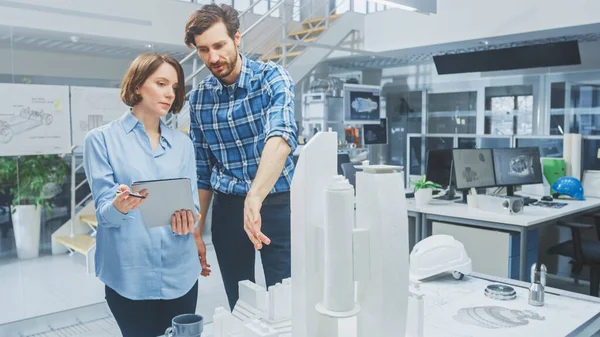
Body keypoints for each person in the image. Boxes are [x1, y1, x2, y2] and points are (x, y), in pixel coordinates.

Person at [83, 53, 211, 337]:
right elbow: (105, 214)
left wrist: (189, 220)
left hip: (180, 274)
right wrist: (120, 205)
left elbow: (191, 203)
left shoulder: (183, 144)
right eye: (162, 83)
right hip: (130, 276)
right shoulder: (101, 140)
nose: (169, 93)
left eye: (174, 87)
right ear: (138, 85)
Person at [184, 4, 298, 310]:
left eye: (219, 45)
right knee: (240, 300)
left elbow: (282, 137)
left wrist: (255, 196)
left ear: (237, 38)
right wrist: (197, 228)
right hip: (228, 208)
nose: (213, 58)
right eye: (203, 50)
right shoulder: (199, 99)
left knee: (285, 297)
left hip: (277, 202)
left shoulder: (272, 78)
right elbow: (202, 168)